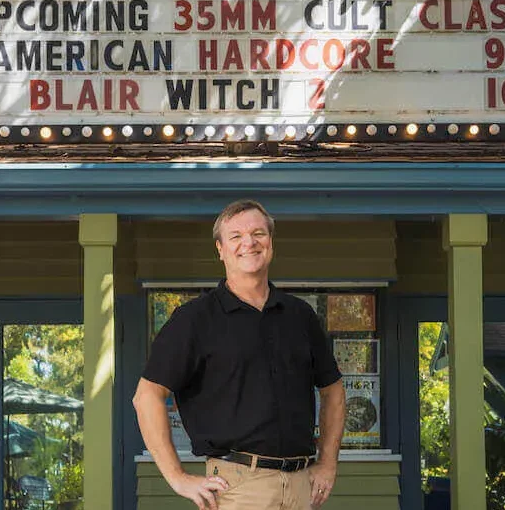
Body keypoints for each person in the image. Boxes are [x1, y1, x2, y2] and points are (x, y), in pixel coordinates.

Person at [133, 199, 346, 510]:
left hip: (302, 487)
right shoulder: (195, 320)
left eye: (258, 233)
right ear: (220, 250)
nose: (249, 243)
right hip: (237, 487)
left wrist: (327, 464)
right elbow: (146, 396)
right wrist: (177, 477)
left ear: (271, 242)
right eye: (235, 236)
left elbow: (334, 390)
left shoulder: (300, 316)